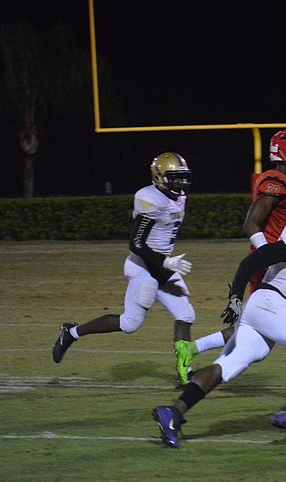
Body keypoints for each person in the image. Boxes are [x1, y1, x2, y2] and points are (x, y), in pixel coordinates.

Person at [152, 196, 286, 448]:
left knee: (227, 366)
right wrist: (235, 297)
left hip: (265, 306)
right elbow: (255, 260)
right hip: (271, 303)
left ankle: (173, 412)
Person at [174, 129, 286, 407]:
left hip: (280, 258)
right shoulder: (276, 181)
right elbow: (251, 223)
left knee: (255, 328)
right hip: (273, 261)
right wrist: (267, 254)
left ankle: (193, 352)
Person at [52, 153, 195, 379]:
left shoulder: (178, 198)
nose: (181, 183)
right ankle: (71, 333)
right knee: (130, 323)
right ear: (159, 177)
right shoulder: (151, 199)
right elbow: (136, 243)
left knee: (185, 315)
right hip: (144, 267)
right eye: (175, 178)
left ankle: (184, 371)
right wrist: (165, 260)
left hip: (163, 268)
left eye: (182, 177)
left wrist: (165, 262)